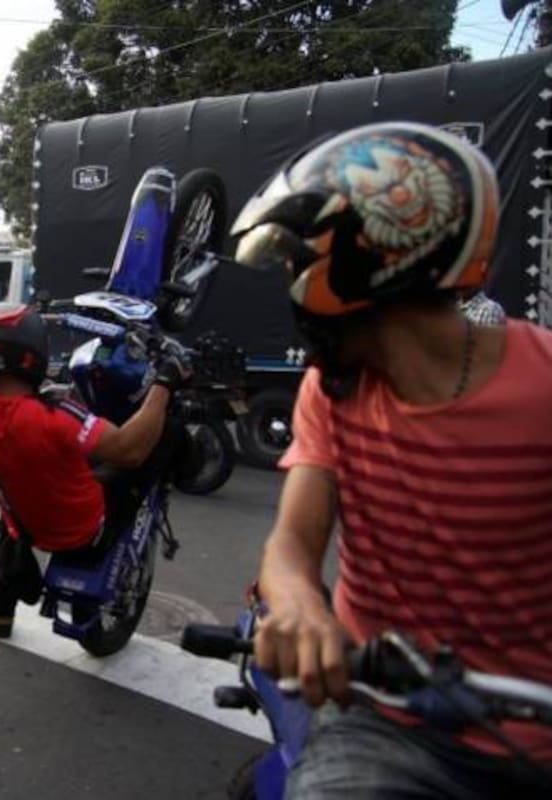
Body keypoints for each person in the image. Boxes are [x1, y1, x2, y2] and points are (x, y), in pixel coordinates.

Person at [231, 122, 552, 797]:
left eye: (298, 261)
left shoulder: (542, 384)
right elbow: (291, 545)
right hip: (386, 724)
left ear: (363, 258)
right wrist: (298, 605)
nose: (291, 283)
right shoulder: (332, 390)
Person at [0, 302, 188, 638]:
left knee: (8, 502)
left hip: (24, 527)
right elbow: (129, 450)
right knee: (163, 435)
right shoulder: (59, 415)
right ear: (35, 353)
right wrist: (164, 384)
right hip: (83, 531)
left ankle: (1, 611)